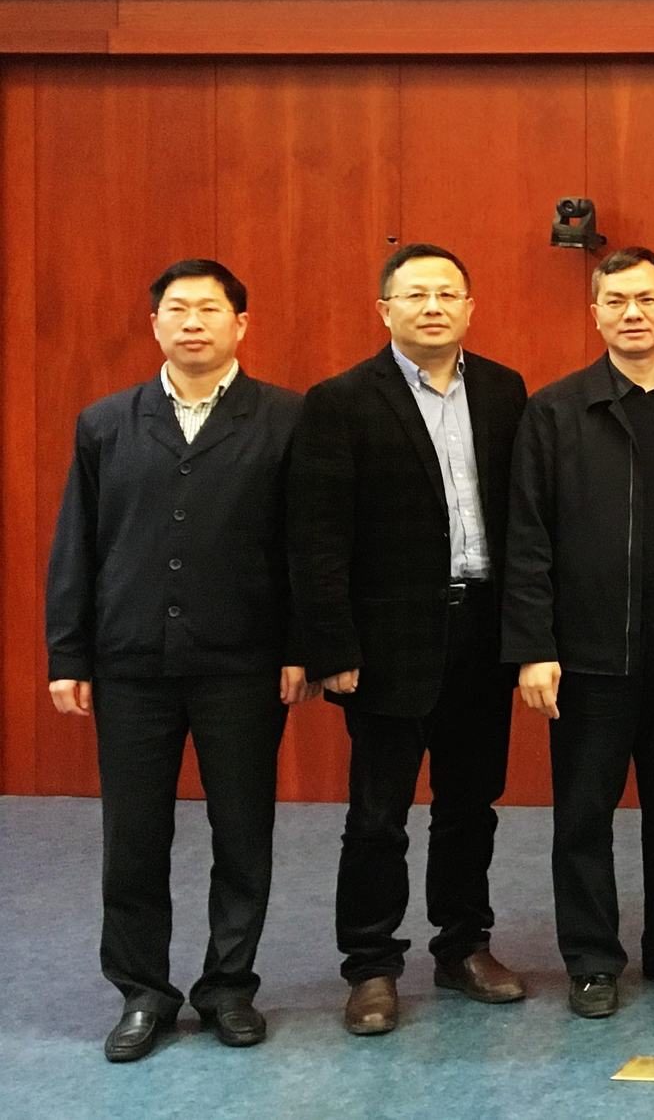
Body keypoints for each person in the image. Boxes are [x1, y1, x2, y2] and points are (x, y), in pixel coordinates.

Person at [45, 259, 311, 1061]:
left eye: (210, 308)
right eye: (177, 308)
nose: (193, 321)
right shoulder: (105, 422)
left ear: (241, 323)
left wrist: (301, 647)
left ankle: (229, 986)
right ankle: (142, 991)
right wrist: (68, 652)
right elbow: (77, 543)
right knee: (133, 835)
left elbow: (304, 545)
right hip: (130, 662)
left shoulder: (286, 418)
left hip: (242, 662)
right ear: (155, 323)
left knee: (243, 831)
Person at [292, 242, 528, 1036]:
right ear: (385, 309)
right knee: (378, 815)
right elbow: (317, 536)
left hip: (482, 630)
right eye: (415, 293)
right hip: (386, 643)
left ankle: (463, 945)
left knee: (470, 804)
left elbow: (523, 515)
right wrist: (333, 648)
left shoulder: (502, 389)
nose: (433, 306)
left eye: (447, 293)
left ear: (470, 307)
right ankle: (370, 965)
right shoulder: (340, 400)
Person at [504, 247, 654, 1018]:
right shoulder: (555, 411)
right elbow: (528, 535)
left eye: (645, 298)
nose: (632, 312)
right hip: (586, 655)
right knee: (583, 812)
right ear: (594, 312)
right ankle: (592, 959)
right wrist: (534, 648)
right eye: (615, 300)